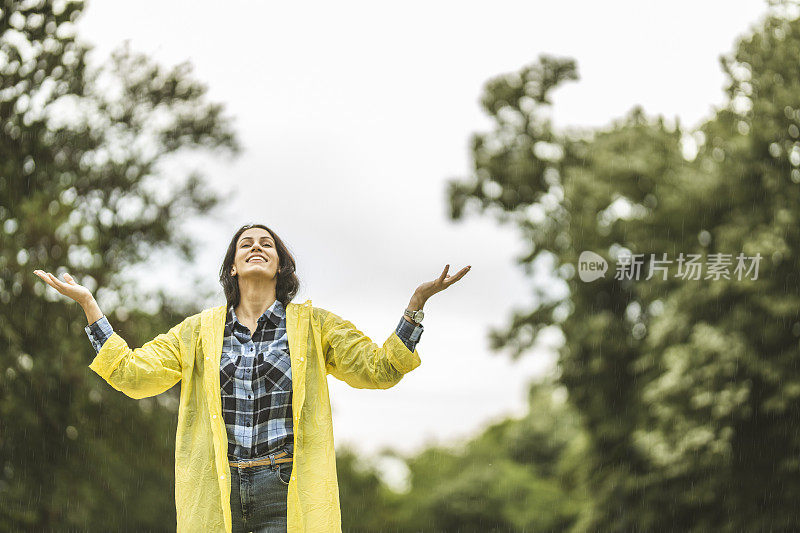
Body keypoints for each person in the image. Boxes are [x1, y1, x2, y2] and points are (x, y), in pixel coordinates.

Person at [33, 223, 470, 533]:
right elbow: (134, 375)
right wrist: (91, 307)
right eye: (246, 244)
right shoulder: (198, 332)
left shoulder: (315, 326)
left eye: (267, 244)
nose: (256, 246)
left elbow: (380, 369)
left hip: (284, 489)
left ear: (281, 266)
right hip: (217, 491)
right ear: (233, 268)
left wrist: (415, 306)